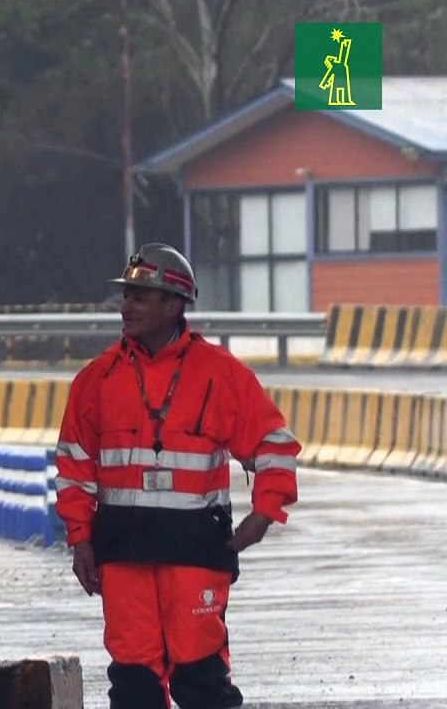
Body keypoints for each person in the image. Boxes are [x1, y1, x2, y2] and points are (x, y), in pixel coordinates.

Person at [55, 243, 300, 709]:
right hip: (124, 556)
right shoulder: (96, 380)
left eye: (139, 297)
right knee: (133, 686)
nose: (126, 306)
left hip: (195, 554)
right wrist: (80, 539)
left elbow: (274, 445)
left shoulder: (221, 375)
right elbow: (74, 467)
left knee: (202, 682)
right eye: (126, 296)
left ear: (173, 304)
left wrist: (264, 515)